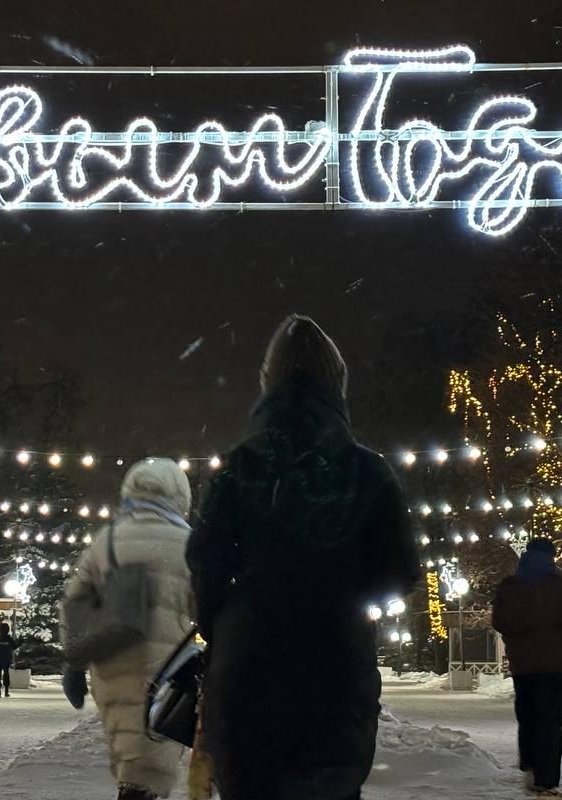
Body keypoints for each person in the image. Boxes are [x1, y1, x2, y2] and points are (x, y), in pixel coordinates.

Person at [187, 315, 420, 800]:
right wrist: (349, 598)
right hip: (335, 664)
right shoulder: (367, 472)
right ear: (338, 384)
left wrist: (224, 624)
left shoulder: (237, 469)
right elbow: (400, 570)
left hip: (248, 664)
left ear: (266, 384)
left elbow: (207, 567)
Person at [61, 458, 194, 800]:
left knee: (130, 758)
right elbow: (208, 609)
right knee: (151, 764)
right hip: (170, 670)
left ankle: (135, 787)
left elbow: (75, 604)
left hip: (111, 661)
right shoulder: (191, 544)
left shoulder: (106, 541)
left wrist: (74, 663)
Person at [491, 537, 562, 799]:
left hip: (522, 665)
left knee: (528, 715)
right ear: (551, 556)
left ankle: (530, 765)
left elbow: (498, 620)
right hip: (552, 664)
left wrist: (516, 639)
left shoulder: (510, 586)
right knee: (550, 721)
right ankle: (546, 780)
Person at [0, 622, 21, 698]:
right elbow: (14, 646)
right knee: (6, 675)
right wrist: (20, 642)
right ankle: (6, 691)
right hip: (6, 660)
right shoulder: (9, 639)